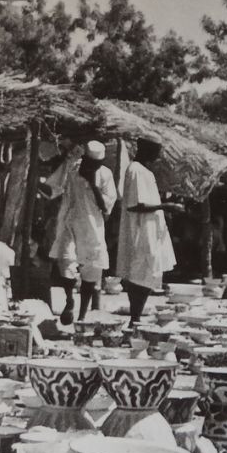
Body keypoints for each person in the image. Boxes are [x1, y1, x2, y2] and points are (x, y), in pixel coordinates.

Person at [47, 140, 117, 324]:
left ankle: (82, 315)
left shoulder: (105, 175)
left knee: (91, 269)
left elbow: (107, 208)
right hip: (69, 221)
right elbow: (55, 188)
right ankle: (69, 299)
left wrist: (93, 184)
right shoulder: (72, 168)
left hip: (91, 226)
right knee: (66, 260)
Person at [116, 137, 179, 324]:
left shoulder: (145, 172)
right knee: (141, 273)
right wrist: (166, 206)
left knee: (148, 273)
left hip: (150, 229)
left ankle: (136, 318)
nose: (157, 157)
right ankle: (134, 319)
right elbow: (135, 205)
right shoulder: (135, 170)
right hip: (141, 230)